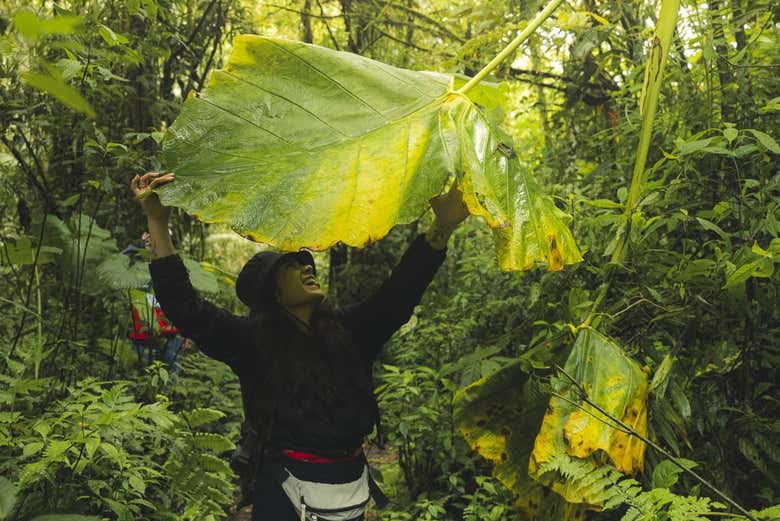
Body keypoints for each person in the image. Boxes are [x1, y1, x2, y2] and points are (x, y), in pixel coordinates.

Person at [130, 171, 468, 520]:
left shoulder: (348, 331)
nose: (308, 268)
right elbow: (187, 308)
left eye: (307, 263)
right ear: (272, 293)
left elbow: (399, 295)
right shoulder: (251, 343)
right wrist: (157, 220)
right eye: (292, 266)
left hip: (348, 490)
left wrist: (441, 228)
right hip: (283, 493)